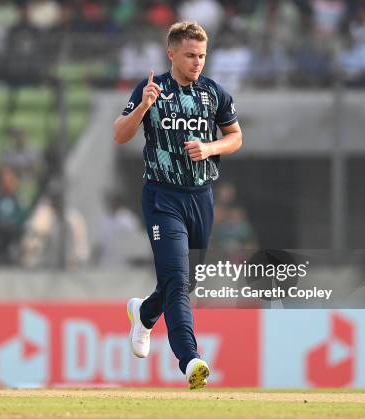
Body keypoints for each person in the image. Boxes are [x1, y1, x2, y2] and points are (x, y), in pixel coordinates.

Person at [113, 21, 243, 389]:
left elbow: (235, 137)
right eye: (190, 55)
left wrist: (210, 148)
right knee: (176, 278)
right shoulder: (153, 88)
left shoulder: (213, 93)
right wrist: (143, 107)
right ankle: (191, 360)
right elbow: (120, 134)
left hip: (201, 197)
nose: (197, 62)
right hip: (162, 196)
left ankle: (144, 313)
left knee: (184, 283)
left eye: (201, 55)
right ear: (171, 54)